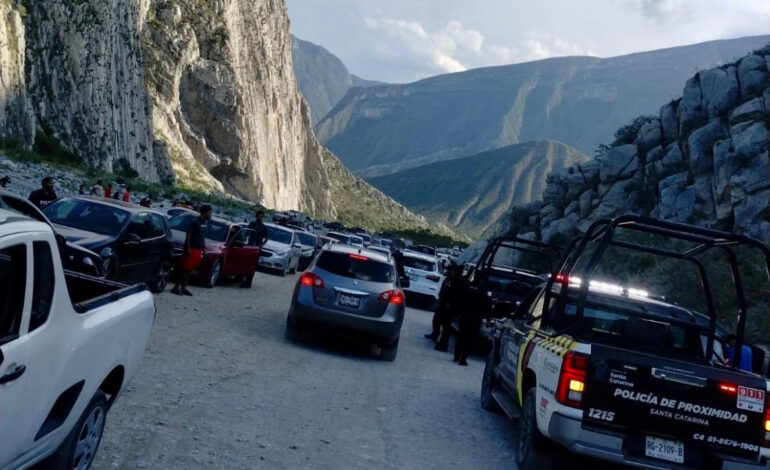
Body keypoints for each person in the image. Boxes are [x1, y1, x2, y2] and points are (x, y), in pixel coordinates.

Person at [172, 204, 212, 296]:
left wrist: (204, 248)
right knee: (184, 268)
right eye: (209, 213)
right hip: (192, 248)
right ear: (204, 213)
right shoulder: (195, 222)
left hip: (198, 249)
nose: (210, 215)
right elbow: (189, 235)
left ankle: (184, 287)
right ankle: (176, 287)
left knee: (190, 269)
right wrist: (188, 248)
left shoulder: (205, 223)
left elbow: (202, 236)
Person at [426, 264, 463, 352]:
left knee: (446, 326)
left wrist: (450, 304)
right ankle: (435, 334)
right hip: (443, 302)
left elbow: (456, 295)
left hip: (449, 306)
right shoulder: (449, 279)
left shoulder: (457, 281)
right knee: (436, 320)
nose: (448, 271)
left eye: (451, 270)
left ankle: (443, 344)